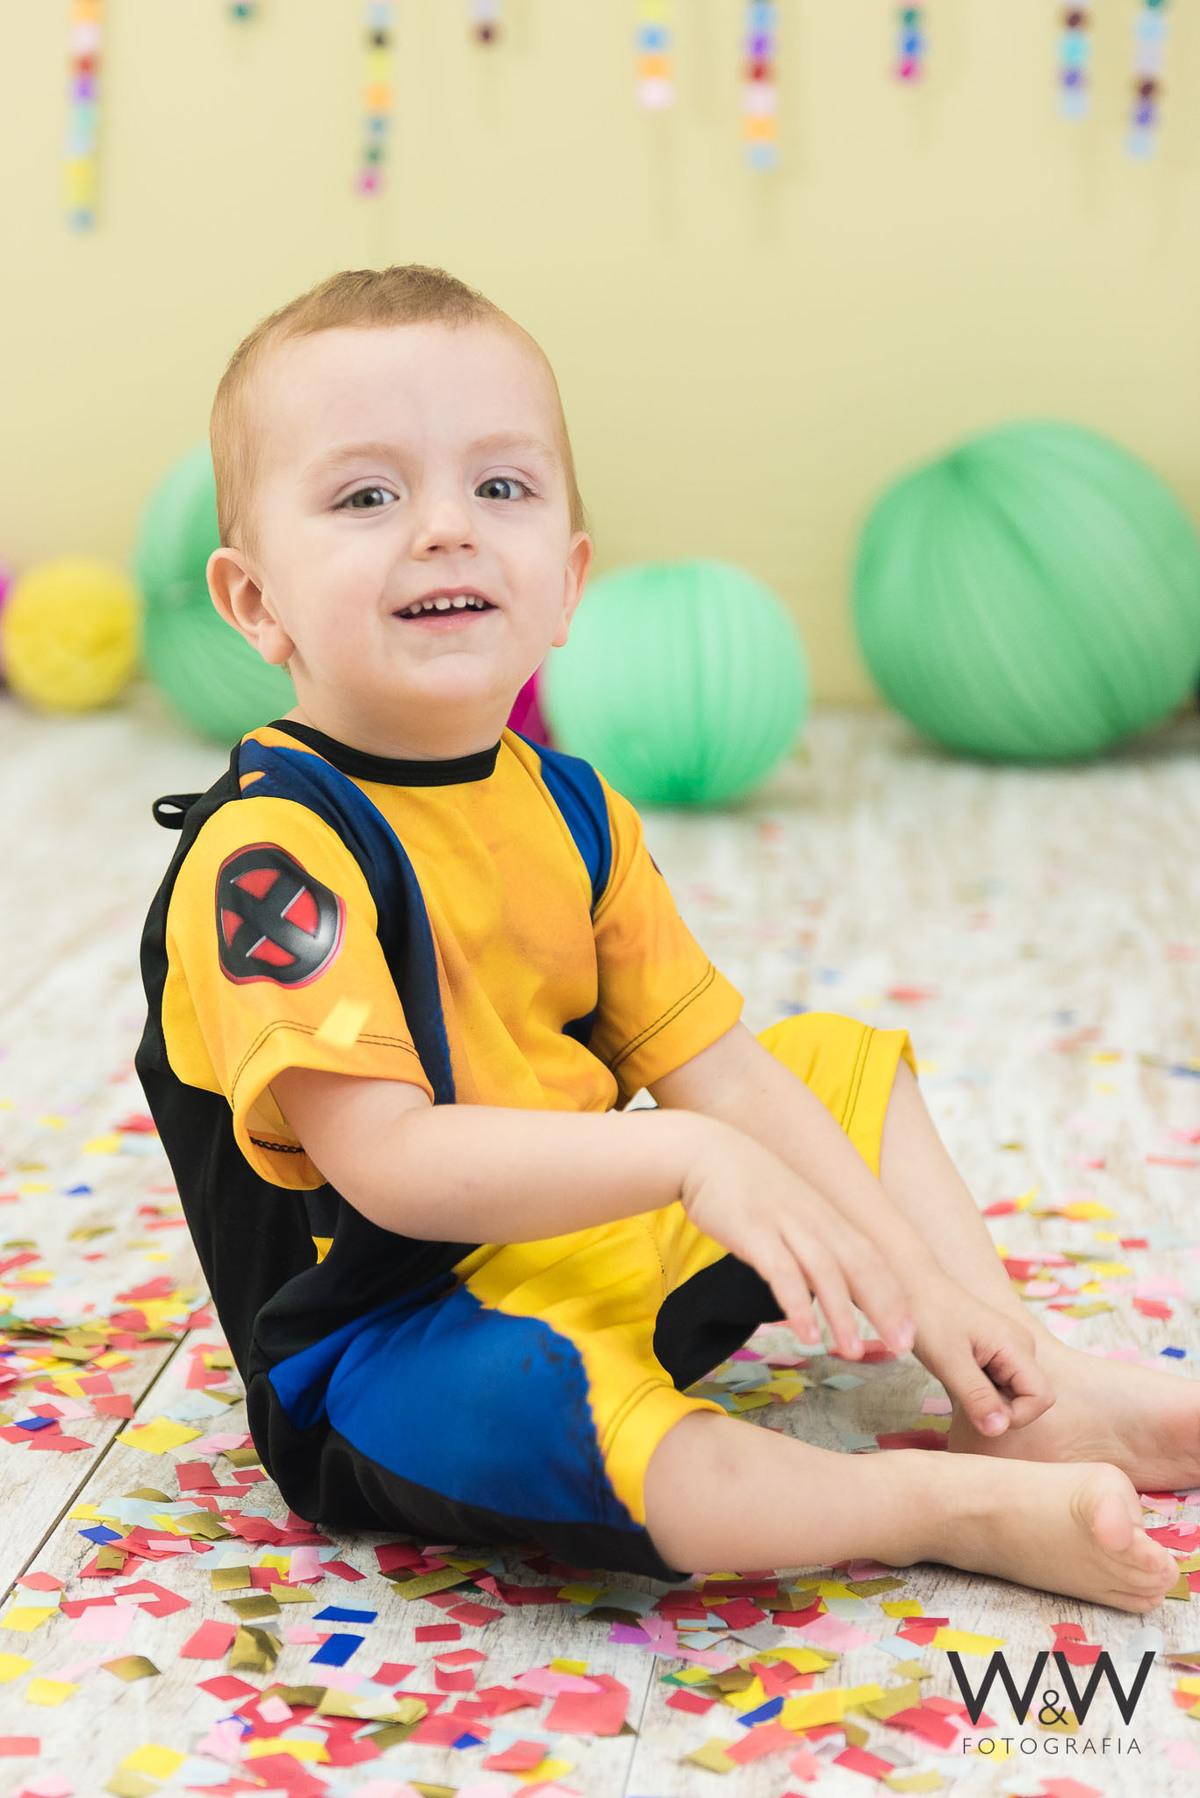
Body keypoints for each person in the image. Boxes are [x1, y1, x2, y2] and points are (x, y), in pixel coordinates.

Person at [137, 264, 1194, 1614]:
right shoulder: (275, 855)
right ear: (254, 601)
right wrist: (692, 1157)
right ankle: (944, 1503)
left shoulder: (574, 809)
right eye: (366, 496)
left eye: (501, 488)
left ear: (568, 582)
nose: (446, 530)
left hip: (592, 1237)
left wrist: (920, 1286)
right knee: (561, 1416)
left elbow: (728, 1074)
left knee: (833, 1066)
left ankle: (1021, 1383)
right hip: (394, 1340)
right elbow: (392, 1163)